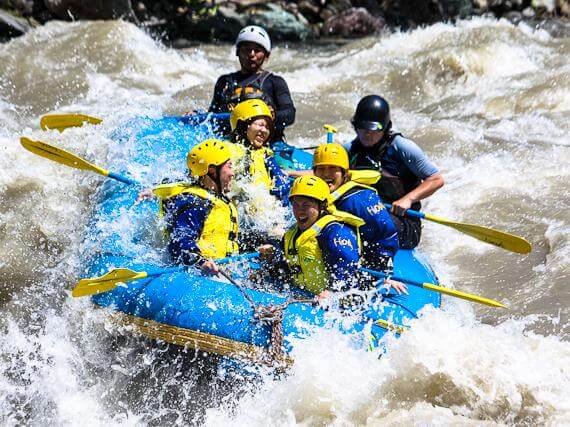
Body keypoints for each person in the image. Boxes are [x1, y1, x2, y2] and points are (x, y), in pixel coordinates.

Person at [348, 95, 444, 249]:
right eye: (362, 127)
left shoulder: (403, 148)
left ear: (386, 128)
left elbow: (436, 179)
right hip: (365, 216)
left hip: (404, 223)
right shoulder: (352, 149)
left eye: (373, 129)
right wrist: (294, 174)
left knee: (376, 221)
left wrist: (408, 199)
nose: (367, 133)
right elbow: (324, 173)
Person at [259, 176, 364, 301]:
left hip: (331, 303)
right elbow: (287, 268)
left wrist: (332, 292)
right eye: (296, 205)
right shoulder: (291, 235)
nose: (300, 211)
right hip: (303, 295)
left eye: (306, 205)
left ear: (322, 206)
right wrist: (272, 258)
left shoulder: (334, 232)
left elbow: (348, 269)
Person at [153, 139, 238, 274]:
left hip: (222, 272)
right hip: (199, 274)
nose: (232, 173)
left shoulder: (220, 200)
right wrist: (200, 261)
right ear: (212, 171)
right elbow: (180, 239)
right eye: (229, 166)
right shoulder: (195, 203)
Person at [312, 143, 400, 272]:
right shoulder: (312, 195)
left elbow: (386, 233)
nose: (326, 174)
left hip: (357, 263)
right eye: (321, 169)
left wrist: (383, 270)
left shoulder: (360, 200)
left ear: (344, 174)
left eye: (332, 168)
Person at [208, 25, 296, 142]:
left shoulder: (275, 82)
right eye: (246, 49)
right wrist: (196, 115)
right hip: (232, 142)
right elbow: (212, 115)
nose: (251, 54)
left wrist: (273, 115)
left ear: (266, 55)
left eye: (257, 50)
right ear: (237, 52)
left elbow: (290, 114)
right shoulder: (224, 82)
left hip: (269, 143)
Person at [228, 99, 291, 201]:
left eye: (267, 127)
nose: (264, 130)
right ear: (243, 126)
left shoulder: (266, 155)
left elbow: (281, 184)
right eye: (261, 125)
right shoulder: (229, 151)